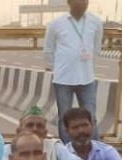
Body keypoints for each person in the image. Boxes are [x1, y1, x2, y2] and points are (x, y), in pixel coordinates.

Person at [43, 0, 102, 143]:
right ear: (69, 2)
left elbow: (97, 47)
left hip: (87, 78)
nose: (82, 3)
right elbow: (48, 49)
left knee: (90, 116)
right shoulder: (56, 23)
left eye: (85, 1)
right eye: (78, 1)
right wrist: (58, 67)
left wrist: (85, 62)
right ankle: (67, 150)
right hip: (63, 79)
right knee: (64, 116)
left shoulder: (95, 22)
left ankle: (92, 149)